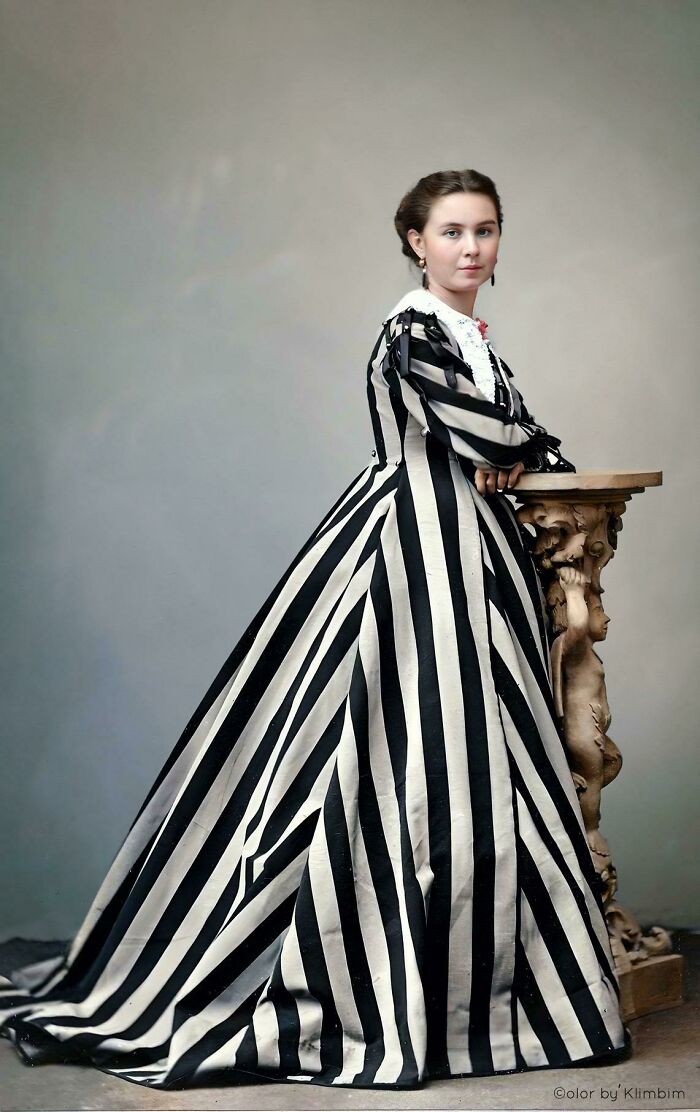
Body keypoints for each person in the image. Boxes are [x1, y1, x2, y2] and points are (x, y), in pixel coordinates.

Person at [0, 168, 632, 1090]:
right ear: (415, 241)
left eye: (485, 231)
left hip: (467, 556)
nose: (471, 247)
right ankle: (395, 979)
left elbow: (511, 435)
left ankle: (478, 981)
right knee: (389, 754)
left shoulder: (465, 335)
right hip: (416, 559)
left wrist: (514, 445)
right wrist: (515, 446)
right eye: (452, 231)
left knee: (473, 757)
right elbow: (488, 434)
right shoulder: (413, 331)